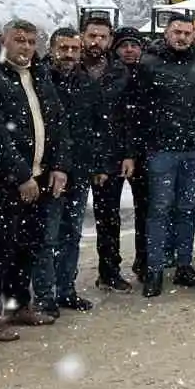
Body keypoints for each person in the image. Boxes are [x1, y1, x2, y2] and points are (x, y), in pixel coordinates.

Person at [0, 19, 69, 339]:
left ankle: (18, 304)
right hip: (6, 181)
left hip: (40, 175)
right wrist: (21, 175)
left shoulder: (39, 74)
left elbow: (55, 120)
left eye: (30, 41)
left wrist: (58, 165)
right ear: (3, 41)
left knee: (28, 246)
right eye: (19, 40)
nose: (25, 47)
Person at [122, 14, 195, 297]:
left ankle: (184, 265)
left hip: (194, 149)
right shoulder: (148, 65)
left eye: (187, 33)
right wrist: (133, 151)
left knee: (187, 211)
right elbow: (134, 112)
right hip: (161, 150)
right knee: (158, 211)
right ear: (166, 33)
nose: (183, 38)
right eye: (177, 32)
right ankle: (155, 270)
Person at [42, 27, 111, 315]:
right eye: (63, 48)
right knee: (47, 236)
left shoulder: (87, 82)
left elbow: (99, 125)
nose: (69, 54)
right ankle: (45, 295)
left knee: (72, 233)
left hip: (80, 170)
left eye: (74, 49)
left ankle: (66, 289)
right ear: (52, 49)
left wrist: (99, 164)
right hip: (48, 170)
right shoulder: (40, 80)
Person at [83, 19, 137, 291]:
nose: (96, 41)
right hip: (76, 154)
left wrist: (127, 154)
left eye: (102, 36)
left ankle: (109, 270)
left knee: (109, 217)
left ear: (109, 39)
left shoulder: (119, 72)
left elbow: (126, 117)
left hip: (111, 153)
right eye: (92, 35)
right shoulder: (69, 68)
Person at [105, 26, 151, 285]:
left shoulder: (147, 73)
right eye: (124, 46)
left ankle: (143, 262)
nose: (130, 50)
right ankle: (109, 269)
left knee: (145, 212)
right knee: (109, 215)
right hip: (113, 153)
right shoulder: (108, 74)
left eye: (134, 45)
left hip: (143, 152)